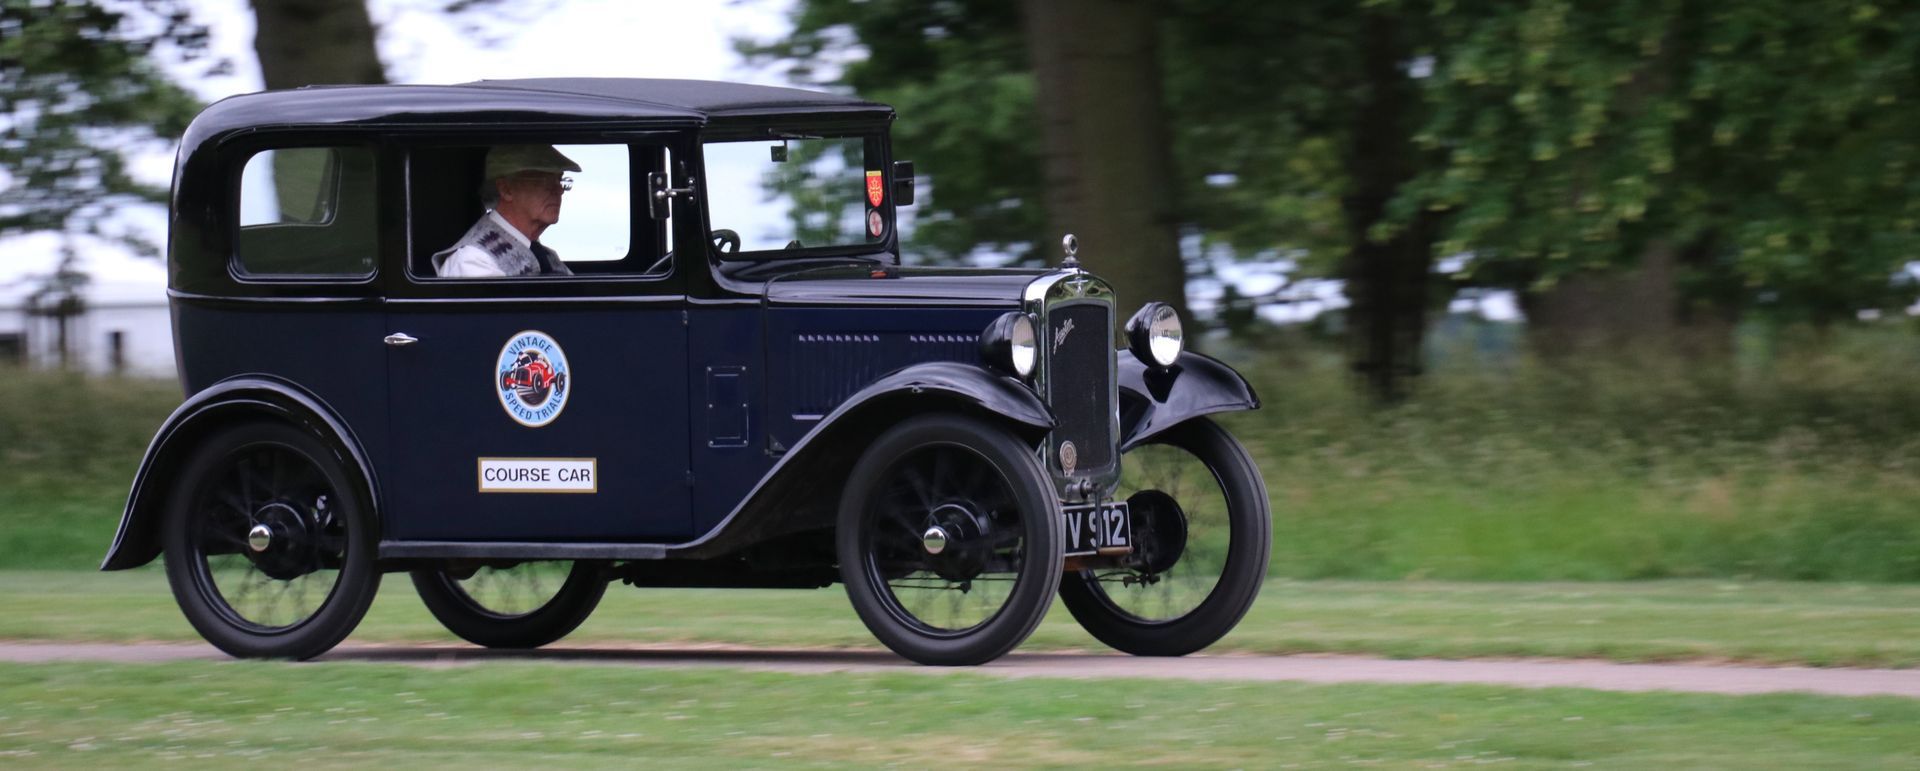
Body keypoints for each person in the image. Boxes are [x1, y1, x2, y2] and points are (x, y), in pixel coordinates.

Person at [433, 145, 580, 277]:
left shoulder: (546, 257)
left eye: (559, 180)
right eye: (543, 181)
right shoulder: (473, 262)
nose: (559, 190)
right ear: (506, 189)